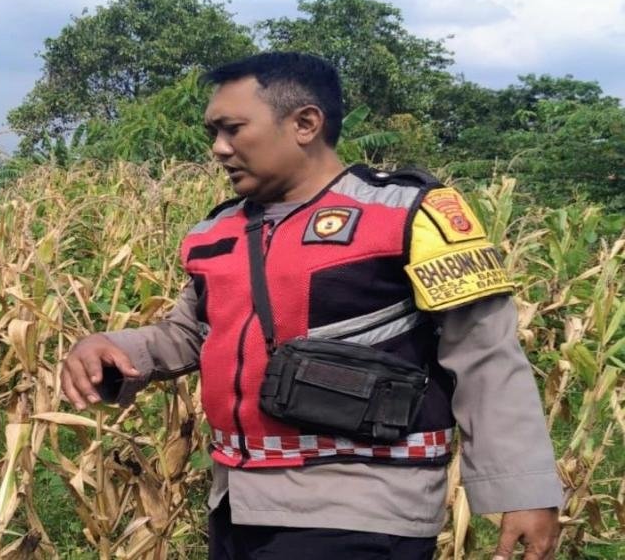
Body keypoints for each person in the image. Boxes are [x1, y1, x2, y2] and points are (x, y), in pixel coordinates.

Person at [61, 52, 562, 559]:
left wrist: (524, 491)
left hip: (364, 508)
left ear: (305, 123)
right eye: (213, 132)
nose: (218, 148)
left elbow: (486, 357)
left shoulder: (409, 215)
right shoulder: (216, 233)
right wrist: (107, 347)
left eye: (232, 129)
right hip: (237, 504)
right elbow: (188, 334)